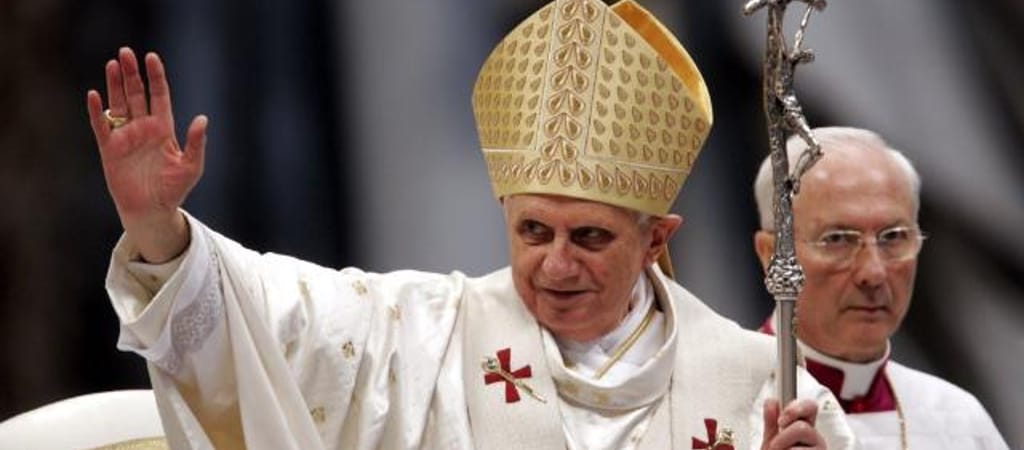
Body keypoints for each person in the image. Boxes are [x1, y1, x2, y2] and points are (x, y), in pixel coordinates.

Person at [86, 1, 854, 449]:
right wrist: (158, 226)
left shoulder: (761, 387)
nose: (556, 265)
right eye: (534, 233)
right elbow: (260, 312)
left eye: (589, 238)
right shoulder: (423, 335)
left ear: (658, 239)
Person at [752, 127, 1010, 449]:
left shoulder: (959, 418)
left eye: (893, 237)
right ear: (771, 255)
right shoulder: (714, 401)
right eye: (837, 239)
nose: (873, 273)